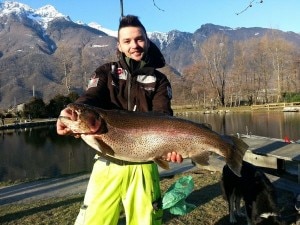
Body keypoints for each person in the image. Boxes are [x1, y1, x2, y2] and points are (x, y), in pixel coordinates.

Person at [57, 15, 183, 225]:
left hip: (144, 166)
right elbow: (90, 97)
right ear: (119, 45)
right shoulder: (106, 73)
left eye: (139, 39)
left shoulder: (159, 80)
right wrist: (68, 114)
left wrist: (171, 146)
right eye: (127, 41)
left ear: (147, 40)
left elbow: (164, 118)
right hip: (107, 164)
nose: (134, 45)